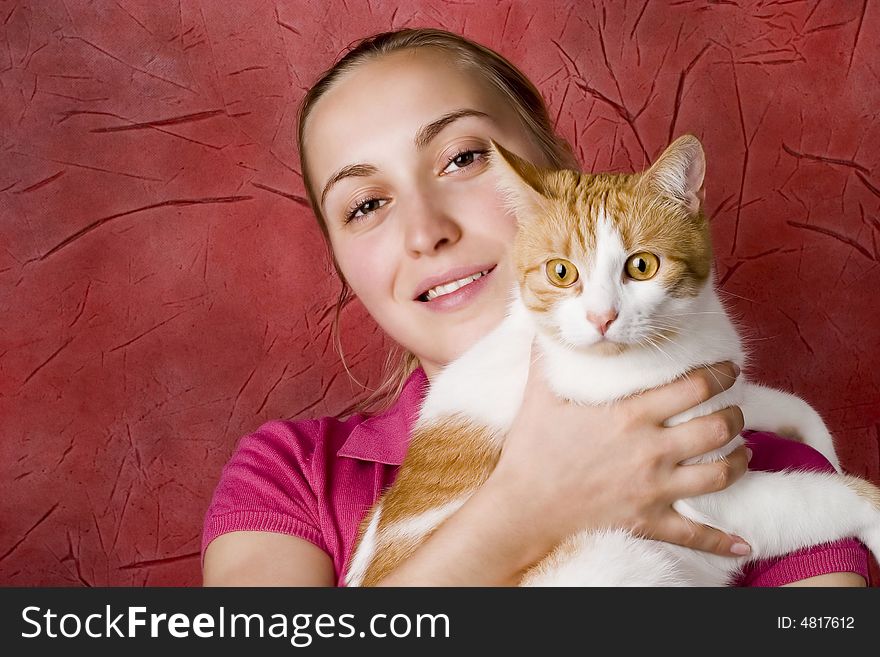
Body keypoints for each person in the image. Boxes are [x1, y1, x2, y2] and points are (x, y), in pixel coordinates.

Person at [201, 28, 868, 587]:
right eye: (366, 204)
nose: (424, 230)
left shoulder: (766, 464)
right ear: (341, 260)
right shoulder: (291, 473)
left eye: (463, 158)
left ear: (553, 178)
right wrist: (520, 512)